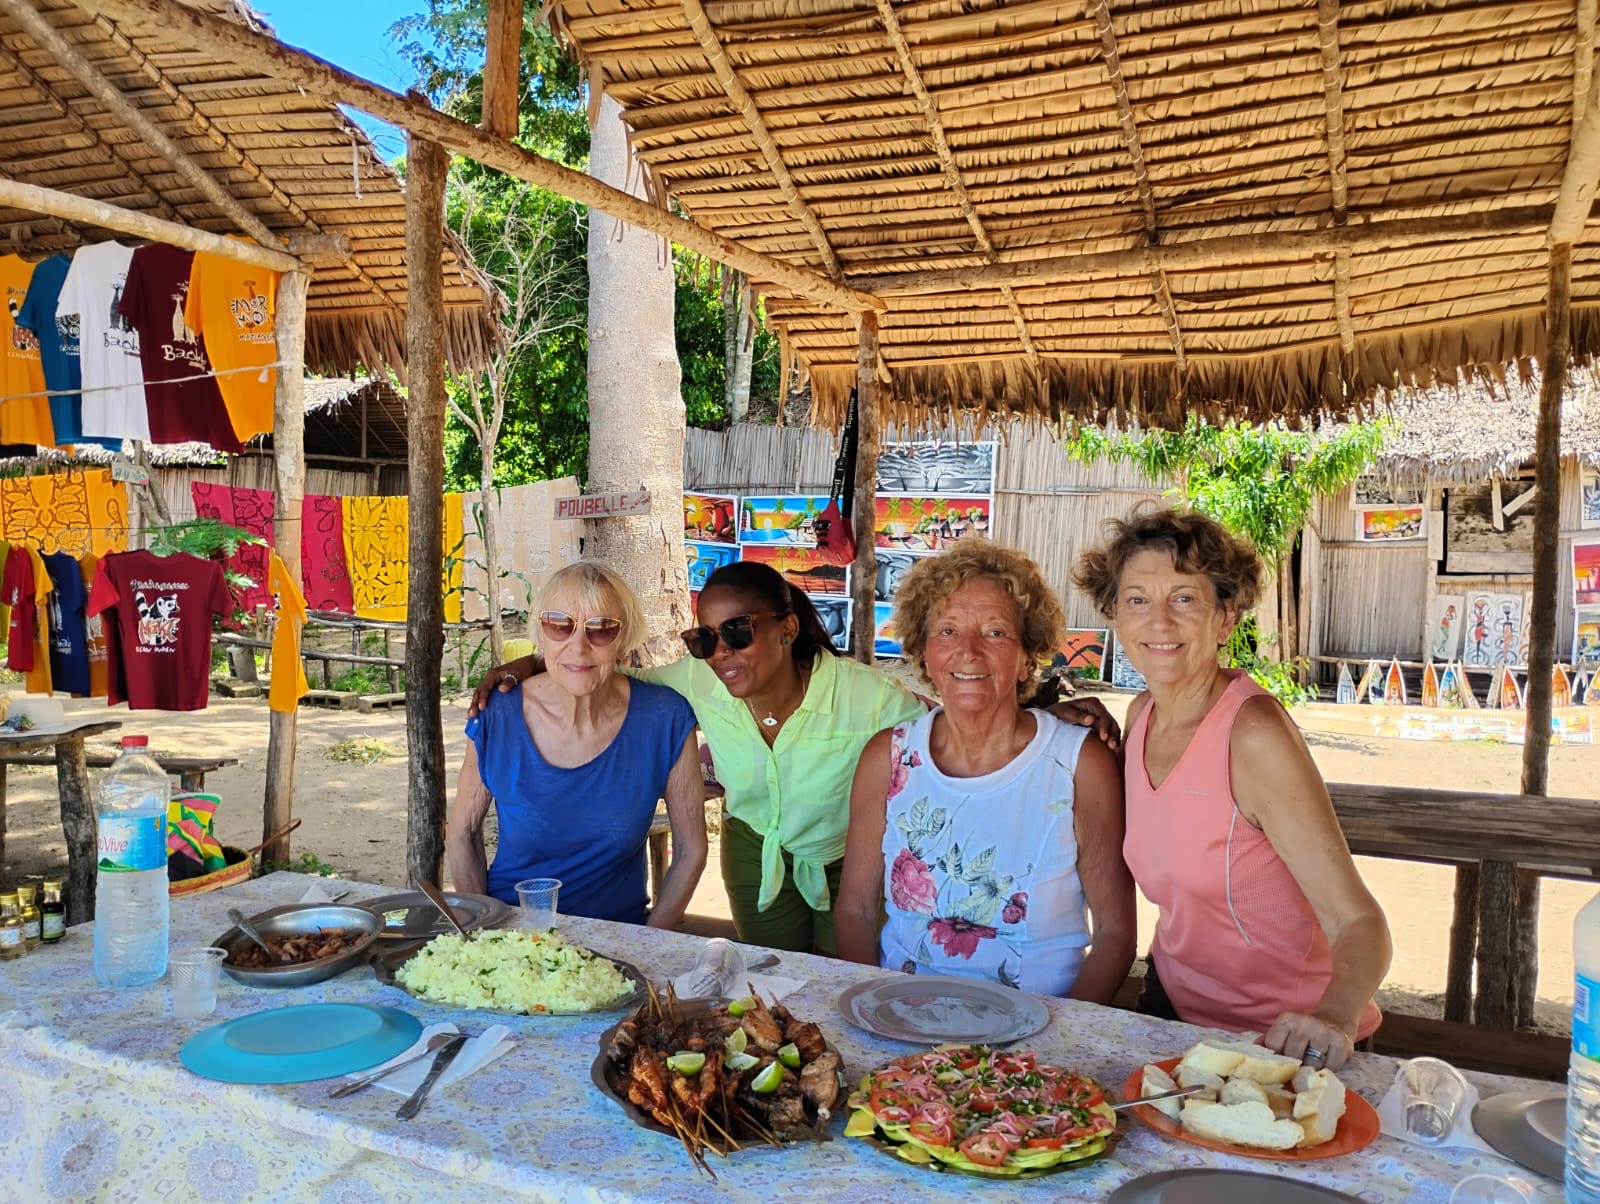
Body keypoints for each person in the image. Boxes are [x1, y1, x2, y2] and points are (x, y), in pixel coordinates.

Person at [471, 561, 1122, 956]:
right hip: (756, 851)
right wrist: (529, 661)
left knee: (843, 976)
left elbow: (958, 710)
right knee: (775, 980)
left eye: (739, 631)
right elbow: (598, 669)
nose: (723, 652)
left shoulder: (863, 697)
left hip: (848, 862)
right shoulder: (696, 680)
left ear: (785, 627)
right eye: (706, 638)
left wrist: (1046, 714)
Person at [1073, 506, 1392, 1070]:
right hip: (1172, 1011)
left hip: (1282, 1038)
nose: (1160, 621)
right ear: (1116, 618)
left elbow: (1358, 921)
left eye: (1185, 599)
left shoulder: (1253, 735)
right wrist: (1056, 719)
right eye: (1138, 600)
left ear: (1226, 619)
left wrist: (1333, 1018)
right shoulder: (1142, 712)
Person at [835, 542, 1136, 1002]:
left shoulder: (1078, 763)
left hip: (1042, 1026)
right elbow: (854, 911)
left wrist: (1059, 1042)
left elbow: (1115, 933)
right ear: (923, 651)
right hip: (905, 1015)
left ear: (1027, 655)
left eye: (995, 632)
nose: (968, 652)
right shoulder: (888, 760)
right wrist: (875, 1008)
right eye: (948, 631)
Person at [447, 561, 706, 929]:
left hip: (619, 932)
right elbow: (462, 833)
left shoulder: (665, 718)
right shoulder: (497, 715)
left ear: (625, 637)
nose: (578, 647)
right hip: (513, 930)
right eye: (559, 625)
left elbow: (692, 849)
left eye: (601, 629)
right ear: (539, 630)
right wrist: (485, 932)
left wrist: (651, 940)